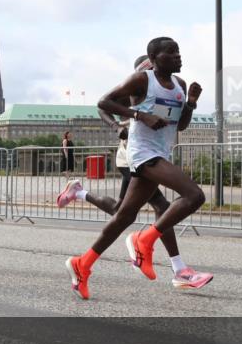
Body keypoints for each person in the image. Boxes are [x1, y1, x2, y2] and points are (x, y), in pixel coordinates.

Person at [65, 37, 207, 300]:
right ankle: (145, 241)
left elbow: (181, 126)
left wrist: (190, 103)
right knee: (194, 195)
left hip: (160, 152)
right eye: (171, 52)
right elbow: (103, 102)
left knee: (123, 217)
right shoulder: (142, 80)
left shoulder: (180, 85)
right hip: (142, 153)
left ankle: (82, 264)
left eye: (178, 52)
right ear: (153, 59)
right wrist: (139, 116)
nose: (178, 56)